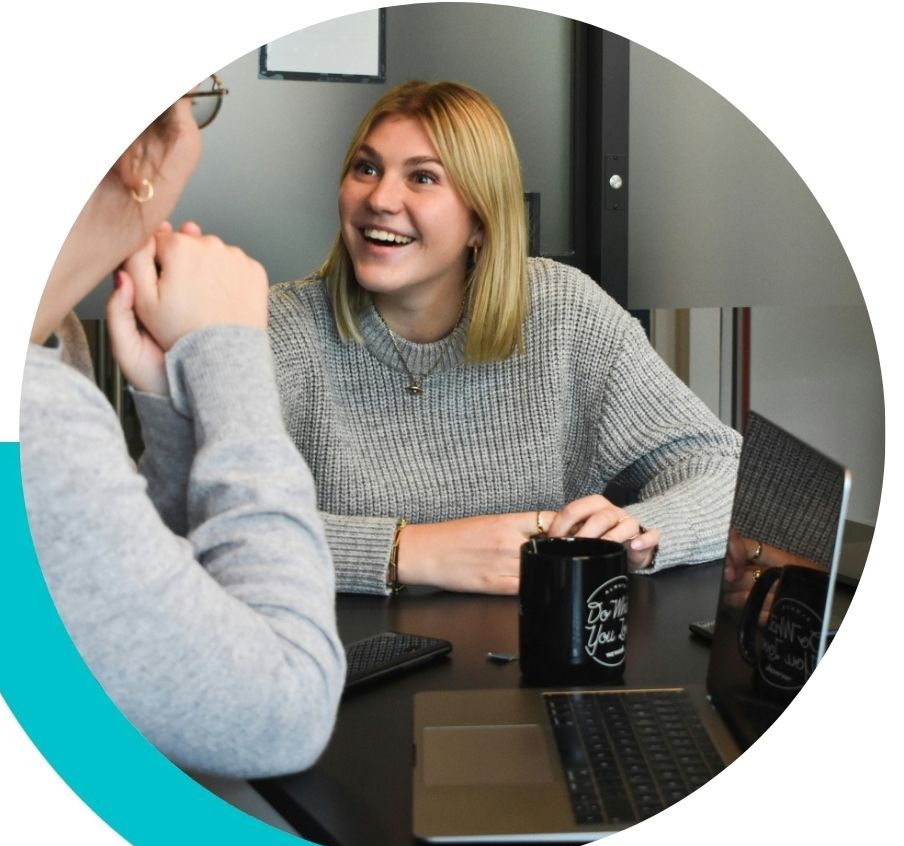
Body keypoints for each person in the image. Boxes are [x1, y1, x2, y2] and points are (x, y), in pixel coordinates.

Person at [259, 80, 742, 597]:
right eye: (367, 168)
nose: (379, 198)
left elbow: (722, 468)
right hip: (346, 645)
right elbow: (212, 524)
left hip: (540, 641)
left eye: (422, 177)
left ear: (480, 222)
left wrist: (641, 531)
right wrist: (411, 551)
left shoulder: (562, 310)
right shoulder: (277, 327)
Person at [20, 75, 345, 779]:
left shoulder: (54, 349)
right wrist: (229, 354)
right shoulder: (35, 416)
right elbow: (285, 711)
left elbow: (145, 615)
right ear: (136, 157)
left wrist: (171, 410)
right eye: (196, 102)